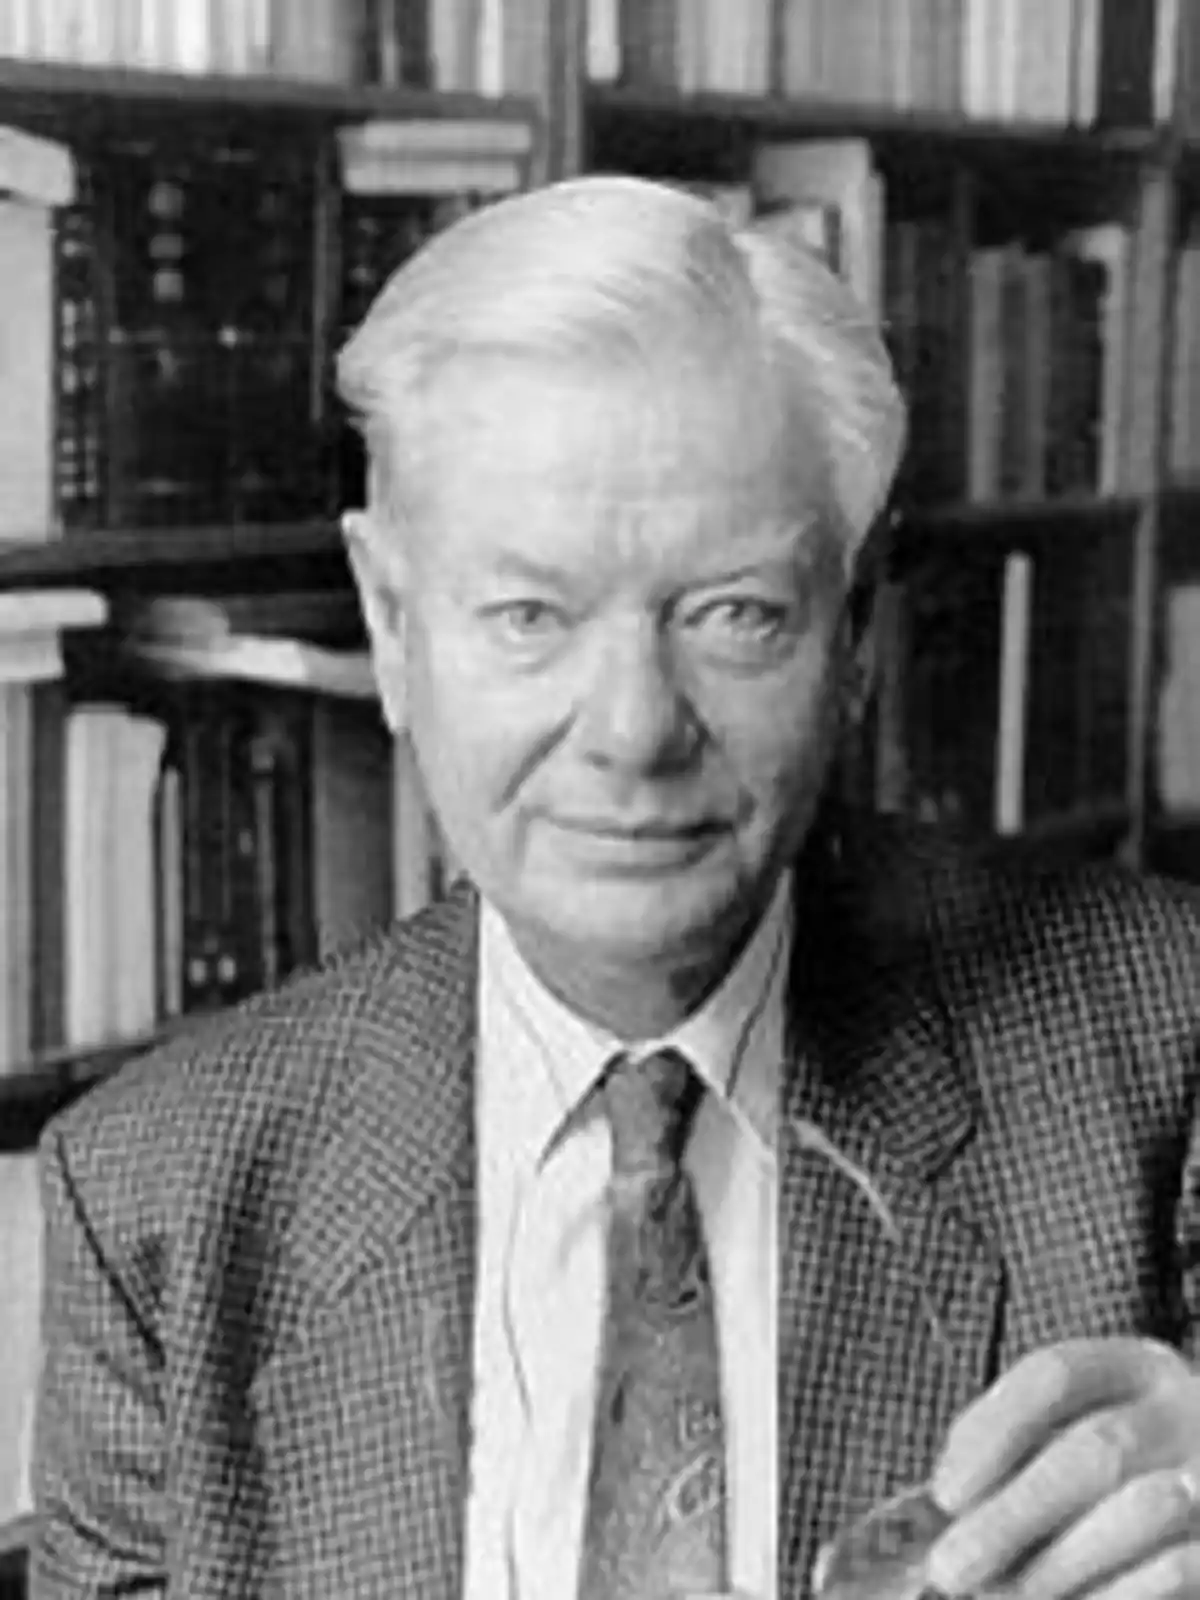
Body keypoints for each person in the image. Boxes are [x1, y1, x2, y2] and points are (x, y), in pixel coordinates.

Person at [28, 174, 1200, 1600]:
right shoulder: (160, 1200)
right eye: (530, 615)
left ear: (859, 636)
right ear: (394, 631)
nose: (636, 728)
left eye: (737, 616)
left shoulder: (1166, 1045)